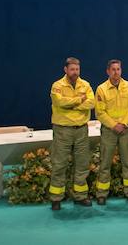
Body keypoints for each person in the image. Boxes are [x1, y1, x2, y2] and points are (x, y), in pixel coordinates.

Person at [48, 56, 95, 210]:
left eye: (77, 69)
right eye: (72, 69)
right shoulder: (57, 85)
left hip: (81, 130)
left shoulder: (85, 85)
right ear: (66, 69)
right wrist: (79, 100)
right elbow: (59, 102)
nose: (75, 72)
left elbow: (91, 103)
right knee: (59, 164)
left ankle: (80, 196)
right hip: (63, 130)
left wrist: (71, 104)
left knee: (82, 164)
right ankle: (56, 198)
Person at [94, 59, 128, 204]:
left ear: (121, 70)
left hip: (125, 129)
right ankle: (101, 194)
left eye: (118, 69)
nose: (116, 72)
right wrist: (114, 125)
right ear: (108, 71)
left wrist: (124, 123)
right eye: (113, 69)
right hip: (109, 130)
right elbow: (100, 112)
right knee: (105, 163)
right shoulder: (101, 89)